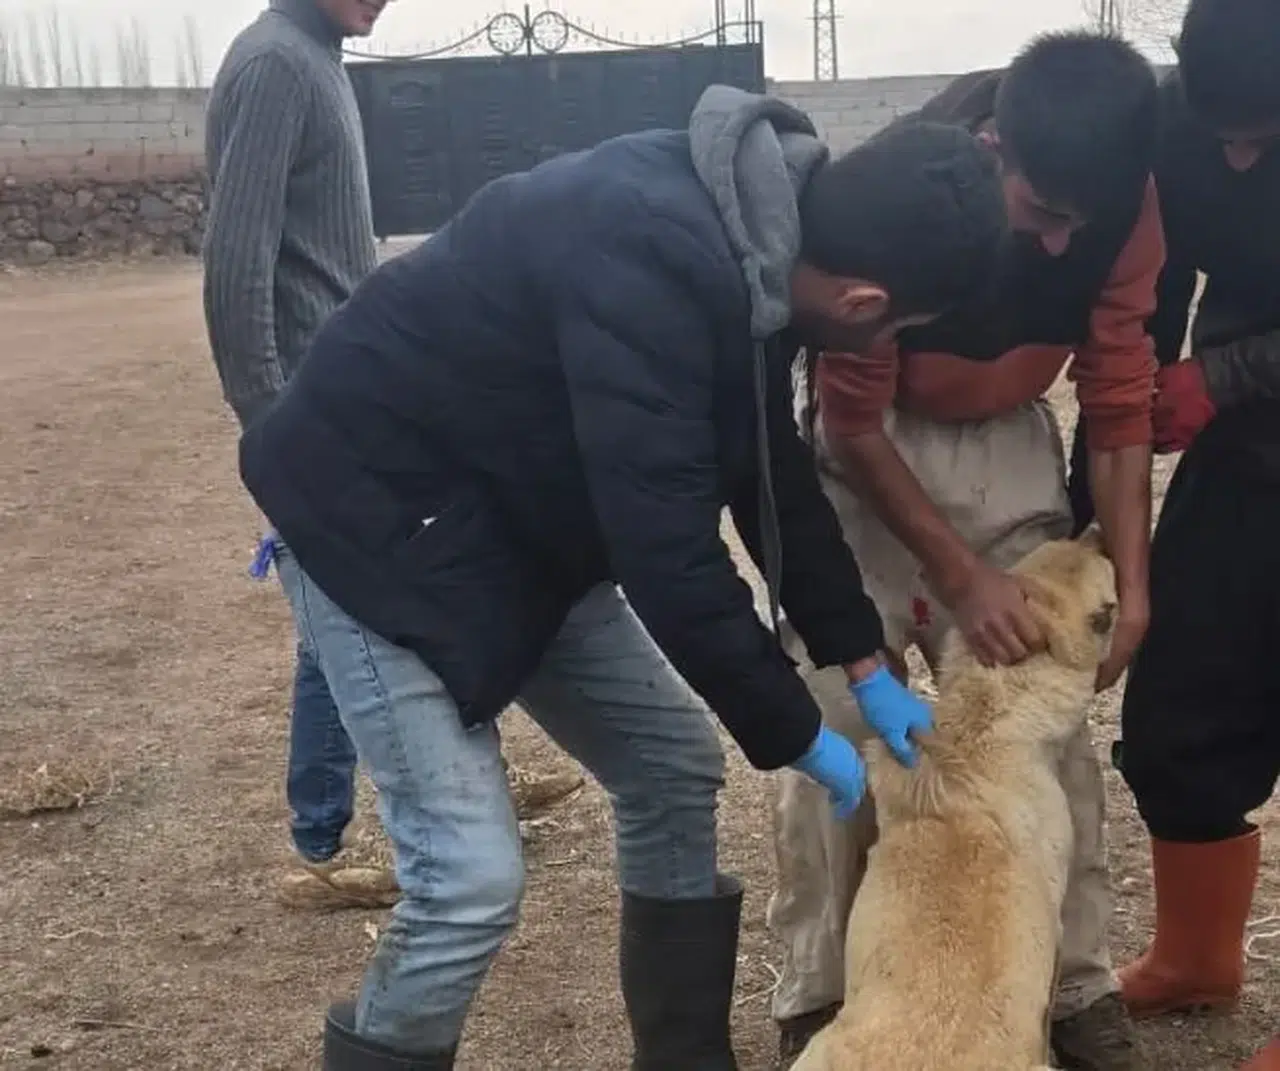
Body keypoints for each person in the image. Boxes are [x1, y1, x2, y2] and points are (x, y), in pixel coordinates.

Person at [237, 82, 1008, 1068]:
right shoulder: (648, 250)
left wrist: (861, 662)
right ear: (862, 303)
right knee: (470, 880)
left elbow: (763, 470)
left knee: (670, 768)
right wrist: (797, 731)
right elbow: (668, 553)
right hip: (374, 522)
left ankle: (682, 1058)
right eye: (895, 331)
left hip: (516, 526)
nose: (884, 349)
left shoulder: (761, 244)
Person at [767, 31, 1161, 1071]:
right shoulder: (915, 180)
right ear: (991, 148)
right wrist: (956, 575)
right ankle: (819, 992)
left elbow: (1119, 398)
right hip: (877, 436)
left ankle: (1070, 986)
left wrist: (1128, 586)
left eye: (1077, 226)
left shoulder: (1114, 197)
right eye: (1039, 215)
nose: (1051, 244)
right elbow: (849, 424)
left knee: (1037, 712)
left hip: (1003, 430)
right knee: (840, 717)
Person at [203, 0, 580, 914]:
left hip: (357, 401)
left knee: (380, 598)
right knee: (360, 600)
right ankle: (326, 832)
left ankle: (413, 790)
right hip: (313, 417)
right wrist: (272, 424)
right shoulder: (276, 66)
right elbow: (235, 260)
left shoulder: (317, 58)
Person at [1063, 3, 1280, 1069]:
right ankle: (1196, 959)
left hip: (1242, 396)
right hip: (1246, 462)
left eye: (1261, 132)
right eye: (1220, 128)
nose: (1236, 153)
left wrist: (1224, 378)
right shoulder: (1167, 127)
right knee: (1178, 712)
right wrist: (1087, 504)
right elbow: (1138, 304)